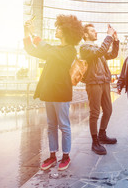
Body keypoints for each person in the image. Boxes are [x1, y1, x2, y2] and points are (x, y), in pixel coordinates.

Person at [23, 15, 84, 171]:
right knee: (51, 126)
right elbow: (32, 51)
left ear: (66, 31)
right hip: (49, 91)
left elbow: (47, 49)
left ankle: (65, 156)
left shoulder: (70, 50)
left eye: (58, 28)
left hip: (61, 92)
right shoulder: (54, 49)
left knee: (64, 125)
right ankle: (52, 156)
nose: (56, 29)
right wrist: (26, 33)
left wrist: (35, 34)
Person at [80, 24, 119, 155]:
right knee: (95, 112)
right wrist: (108, 36)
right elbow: (100, 52)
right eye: (92, 30)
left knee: (108, 110)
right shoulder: (85, 48)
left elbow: (113, 54)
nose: (95, 32)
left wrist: (115, 40)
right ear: (85, 35)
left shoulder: (98, 48)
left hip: (104, 82)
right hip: (93, 82)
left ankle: (102, 135)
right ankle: (95, 141)